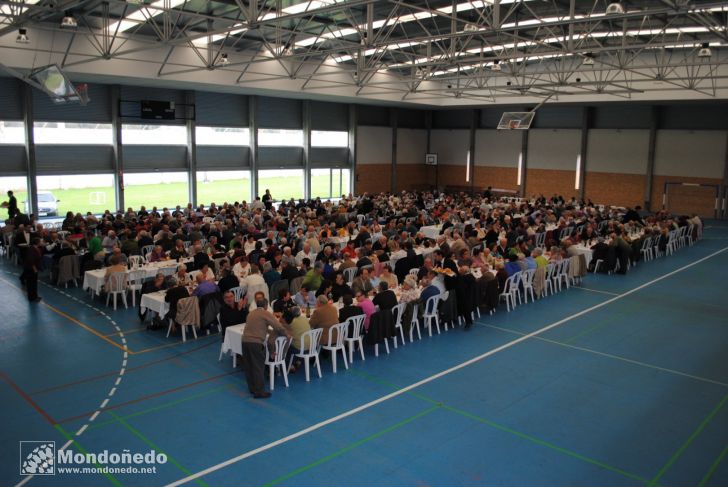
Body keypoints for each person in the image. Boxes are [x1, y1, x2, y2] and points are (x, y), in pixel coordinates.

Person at [241, 297, 290, 399]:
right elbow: (278, 326)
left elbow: (261, 326)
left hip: (245, 341)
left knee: (249, 366)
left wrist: (269, 332)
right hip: (256, 343)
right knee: (258, 367)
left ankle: (252, 388)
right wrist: (286, 334)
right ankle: (259, 391)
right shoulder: (266, 313)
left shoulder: (251, 313)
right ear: (266, 306)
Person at [21, 237, 42, 302]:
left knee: (34, 283)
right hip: (30, 269)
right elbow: (31, 260)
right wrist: (35, 269)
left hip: (32, 268)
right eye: (40, 241)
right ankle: (32, 298)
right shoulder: (32, 249)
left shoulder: (35, 248)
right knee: (31, 284)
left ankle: (35, 296)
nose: (41, 242)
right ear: (37, 243)